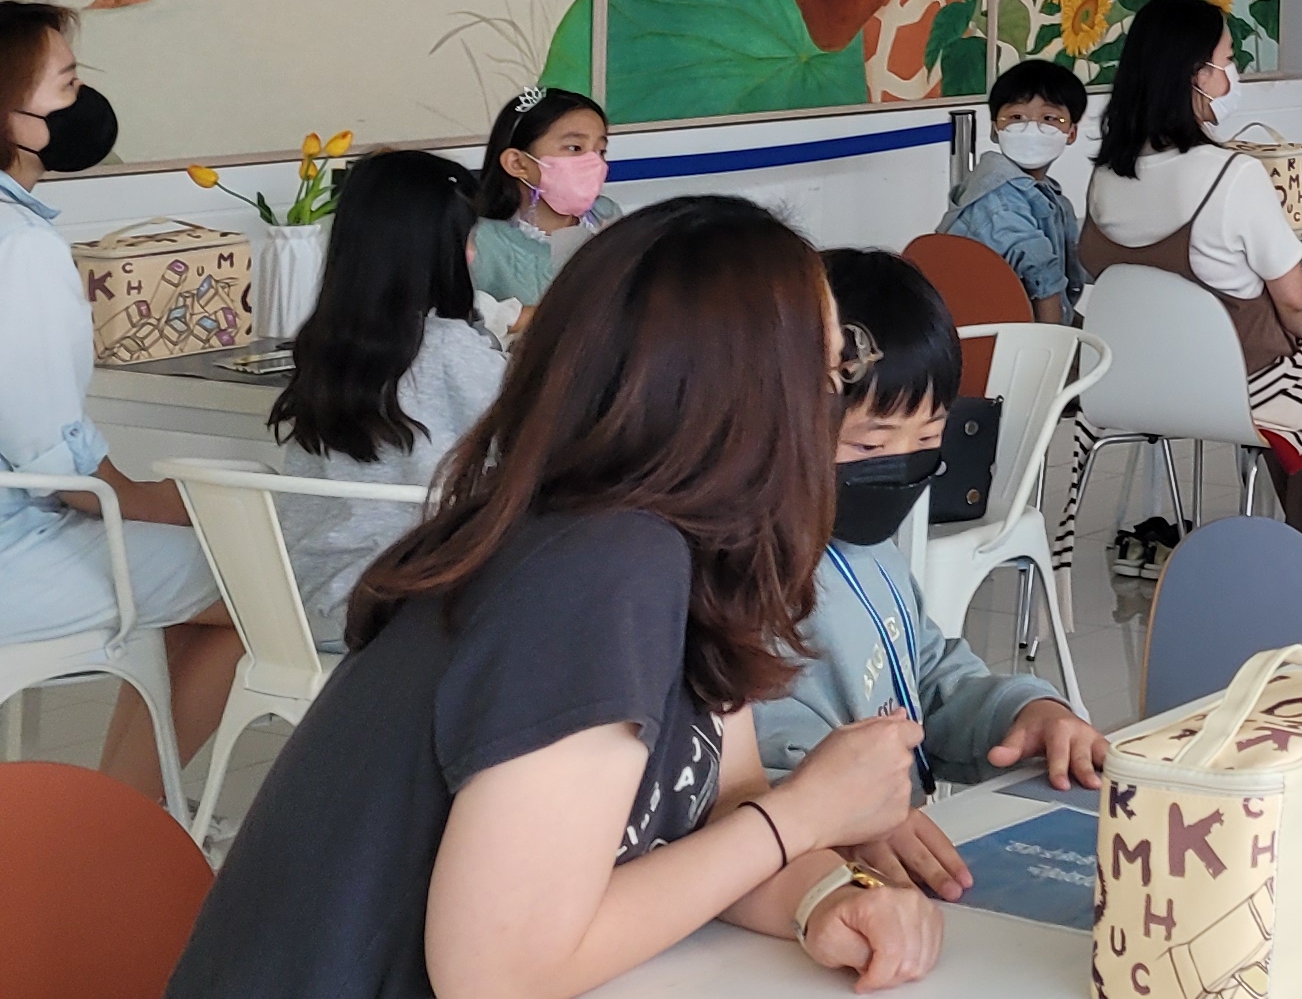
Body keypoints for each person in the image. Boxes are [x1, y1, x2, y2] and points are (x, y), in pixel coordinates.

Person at [166, 198, 939, 998]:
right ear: (750, 401)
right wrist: (806, 815)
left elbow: (724, 809)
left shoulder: (670, 552)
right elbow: (498, 974)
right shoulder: (603, 567)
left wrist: (826, 895)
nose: (832, 402)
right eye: (830, 371)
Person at [759, 252, 1105, 902]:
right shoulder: (744, 584)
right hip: (810, 885)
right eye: (869, 446)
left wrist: (1024, 712)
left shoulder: (871, 551)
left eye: (927, 439)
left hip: (897, 866)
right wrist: (840, 817)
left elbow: (928, 676)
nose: (899, 466)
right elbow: (749, 773)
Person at [1078, 0, 1302, 590]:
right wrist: (1301, 330)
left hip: (1136, 385)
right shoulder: (1231, 175)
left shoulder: (1106, 177)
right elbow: (1296, 298)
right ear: (1197, 76)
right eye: (1228, 60)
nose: (1233, 74)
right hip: (1242, 386)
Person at [0, 4, 238, 804]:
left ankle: (116, 818)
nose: (85, 101)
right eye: (67, 84)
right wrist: (158, 500)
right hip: (16, 557)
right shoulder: (19, 246)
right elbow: (58, 467)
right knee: (258, 586)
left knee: (189, 571)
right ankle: (125, 818)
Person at [267, 149, 509, 648]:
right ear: (439, 250)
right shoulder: (452, 349)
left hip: (304, 602)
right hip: (403, 606)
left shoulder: (323, 348)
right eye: (467, 239)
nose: (472, 254)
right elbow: (539, 446)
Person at [943, 59, 1086, 319]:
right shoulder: (998, 197)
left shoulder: (1048, 193)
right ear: (995, 129)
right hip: (998, 333)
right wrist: (1058, 343)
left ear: (1071, 132)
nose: (1031, 128)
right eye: (1016, 117)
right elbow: (1043, 276)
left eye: (1049, 118)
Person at [472, 85, 618, 309]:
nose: (594, 162)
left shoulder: (606, 215)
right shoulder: (480, 241)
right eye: (574, 147)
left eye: (601, 151)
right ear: (518, 163)